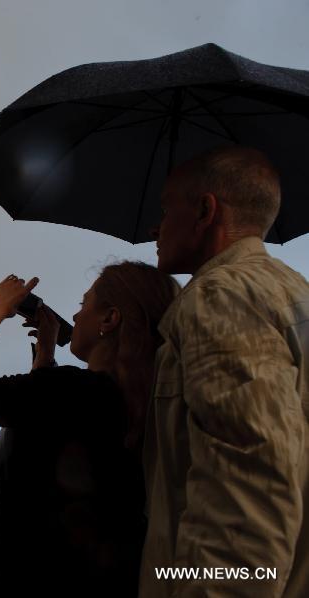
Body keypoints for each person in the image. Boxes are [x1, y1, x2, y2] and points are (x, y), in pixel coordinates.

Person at [0, 261, 179, 595]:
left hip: (29, 579)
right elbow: (50, 432)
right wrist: (45, 355)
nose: (74, 318)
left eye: (82, 306)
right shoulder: (146, 403)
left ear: (109, 319)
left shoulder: (67, 391)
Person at [140, 145, 309, 598]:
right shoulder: (293, 291)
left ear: (204, 210)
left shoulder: (220, 296)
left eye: (165, 208)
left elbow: (249, 490)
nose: (155, 228)